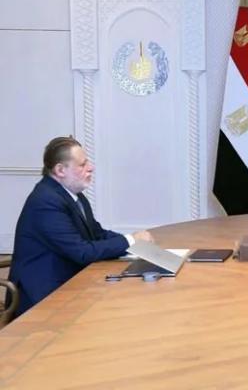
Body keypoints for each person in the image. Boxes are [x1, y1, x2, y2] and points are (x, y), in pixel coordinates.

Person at [7, 136, 154, 317]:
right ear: (60, 170)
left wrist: (135, 244)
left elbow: (96, 233)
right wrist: (130, 240)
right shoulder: (45, 202)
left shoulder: (72, 194)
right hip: (42, 296)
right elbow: (82, 252)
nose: (90, 168)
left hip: (68, 281)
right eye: (82, 164)